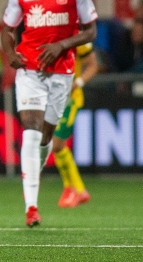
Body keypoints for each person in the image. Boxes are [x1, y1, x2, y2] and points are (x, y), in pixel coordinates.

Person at [1, 0, 97, 227]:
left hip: (62, 73)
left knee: (47, 138)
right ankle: (32, 206)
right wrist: (10, 53)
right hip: (29, 70)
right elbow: (7, 30)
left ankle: (32, 179)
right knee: (30, 131)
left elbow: (91, 31)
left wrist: (62, 45)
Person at [52, 42, 97, 208]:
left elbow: (93, 65)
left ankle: (77, 189)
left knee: (57, 142)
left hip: (71, 99)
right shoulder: (47, 33)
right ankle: (72, 188)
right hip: (53, 98)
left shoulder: (77, 38)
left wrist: (77, 83)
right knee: (56, 144)